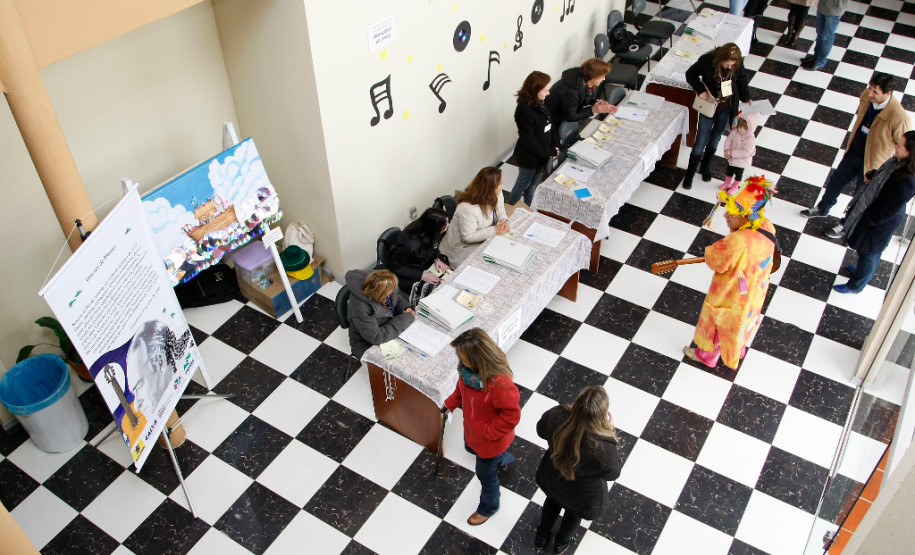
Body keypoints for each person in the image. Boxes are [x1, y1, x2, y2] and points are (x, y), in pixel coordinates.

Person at [684, 177, 777, 370]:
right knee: (742, 323)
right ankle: (738, 350)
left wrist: (711, 250)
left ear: (747, 215)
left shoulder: (737, 242)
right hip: (753, 294)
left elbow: (714, 260)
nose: (727, 216)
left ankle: (706, 357)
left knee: (719, 325)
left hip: (731, 295)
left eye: (733, 213)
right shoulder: (767, 226)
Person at [801, 73, 910, 222]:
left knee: (860, 195)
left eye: (875, 92)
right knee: (835, 182)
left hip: (872, 164)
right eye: (870, 88)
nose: (870, 93)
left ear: (888, 93)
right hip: (855, 152)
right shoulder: (866, 95)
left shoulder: (899, 118)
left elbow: (903, 147)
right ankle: (823, 208)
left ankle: (846, 223)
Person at [442, 328, 521, 526]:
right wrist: (450, 404)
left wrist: (488, 432)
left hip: (489, 442)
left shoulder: (500, 385)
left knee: (485, 475)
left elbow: (511, 416)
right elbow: (459, 392)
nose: (459, 360)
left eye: (463, 357)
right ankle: (502, 458)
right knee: (471, 448)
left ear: (478, 359)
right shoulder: (467, 373)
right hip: (473, 433)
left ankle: (489, 507)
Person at [534, 386, 622, 554]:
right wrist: (609, 432)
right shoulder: (604, 445)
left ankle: (541, 538)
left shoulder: (557, 415)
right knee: (573, 515)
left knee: (551, 503)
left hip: (553, 478)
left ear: (577, 402)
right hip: (581, 494)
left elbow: (541, 430)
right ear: (601, 414)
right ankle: (561, 544)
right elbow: (613, 473)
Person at [833, 131, 915, 293]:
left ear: (910, 152)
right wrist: (874, 175)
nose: (895, 146)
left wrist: (869, 220)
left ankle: (856, 285)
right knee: (870, 250)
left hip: (878, 222)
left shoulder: (907, 180)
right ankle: (862, 275)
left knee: (868, 252)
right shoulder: (898, 163)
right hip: (874, 215)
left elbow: (889, 209)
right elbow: (884, 179)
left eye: (899, 145)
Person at [683, 43, 752, 190]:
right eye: (726, 64)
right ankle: (689, 174)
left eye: (732, 65)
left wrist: (747, 98)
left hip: (727, 108)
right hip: (709, 106)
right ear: (720, 58)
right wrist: (700, 90)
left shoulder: (737, 65)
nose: (729, 67)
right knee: (701, 139)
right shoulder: (707, 60)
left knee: (715, 139)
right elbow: (690, 74)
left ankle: (705, 166)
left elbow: (742, 81)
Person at [440, 167, 510, 267]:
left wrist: (503, 222)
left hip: (482, 240)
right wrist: (495, 230)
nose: (502, 186)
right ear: (491, 189)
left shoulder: (497, 194)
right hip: (460, 252)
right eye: (500, 184)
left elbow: (501, 210)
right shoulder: (468, 209)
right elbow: (468, 237)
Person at [509, 71, 559, 207]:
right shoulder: (523, 111)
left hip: (542, 154)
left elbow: (550, 124)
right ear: (535, 90)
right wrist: (549, 151)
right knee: (522, 184)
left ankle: (528, 205)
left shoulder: (542, 103)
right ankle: (511, 207)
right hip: (529, 158)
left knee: (533, 185)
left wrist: (555, 144)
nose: (548, 93)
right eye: (545, 90)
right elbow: (528, 141)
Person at [344, 268, 415, 359]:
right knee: (404, 359)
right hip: (367, 343)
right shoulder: (360, 309)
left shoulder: (383, 283)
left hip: (388, 326)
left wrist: (406, 308)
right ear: (380, 294)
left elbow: (396, 297)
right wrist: (406, 318)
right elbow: (377, 337)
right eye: (388, 294)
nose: (390, 294)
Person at [545, 58, 618, 145]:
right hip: (552, 120)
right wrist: (593, 110)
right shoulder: (571, 92)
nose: (604, 79)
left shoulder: (583, 80)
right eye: (602, 76)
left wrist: (595, 102)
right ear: (593, 76)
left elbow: (583, 97)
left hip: (563, 112)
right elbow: (570, 117)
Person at [388, 208, 451, 305]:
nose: (448, 226)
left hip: (423, 265)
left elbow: (434, 247)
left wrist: (437, 258)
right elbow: (395, 267)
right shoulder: (408, 243)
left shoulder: (430, 232)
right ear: (434, 227)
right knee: (438, 290)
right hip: (408, 275)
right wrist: (422, 276)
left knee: (449, 277)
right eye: (445, 225)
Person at [800, 0, 851, 71]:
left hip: (834, 9)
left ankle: (820, 62)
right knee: (820, 34)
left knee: (826, 37)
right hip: (822, 6)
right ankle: (816, 57)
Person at [721, 112, 761, 194]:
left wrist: (732, 153)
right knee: (729, 171)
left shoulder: (751, 139)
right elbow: (729, 140)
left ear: (750, 128)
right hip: (732, 158)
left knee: (738, 174)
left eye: (744, 128)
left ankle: (735, 186)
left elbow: (746, 152)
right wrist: (726, 149)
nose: (740, 130)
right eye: (739, 127)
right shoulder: (734, 132)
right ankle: (727, 183)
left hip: (742, 161)